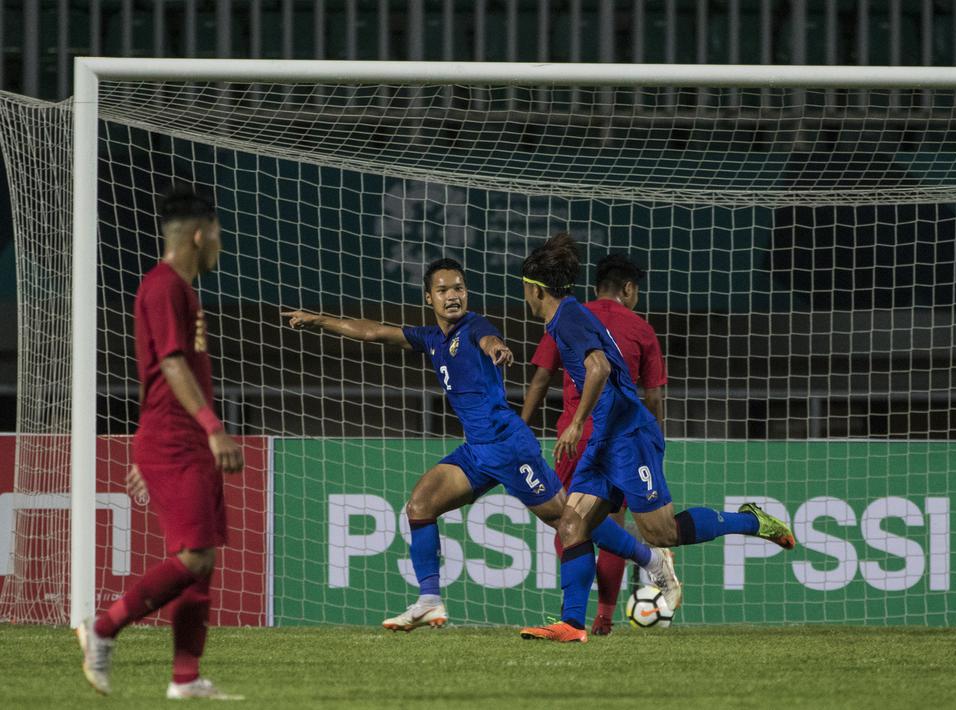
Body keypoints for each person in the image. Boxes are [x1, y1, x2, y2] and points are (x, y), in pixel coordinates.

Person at [282, 258, 679, 633]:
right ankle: (429, 600)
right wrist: (319, 320)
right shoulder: (430, 338)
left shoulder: (475, 326)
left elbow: (489, 340)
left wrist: (497, 348)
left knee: (568, 522)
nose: (453, 296)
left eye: (459, 288)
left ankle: (650, 559)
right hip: (476, 451)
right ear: (429, 298)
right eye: (443, 290)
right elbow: (374, 332)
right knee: (420, 505)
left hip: (509, 447)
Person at [518, 233, 795, 644]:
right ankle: (572, 623)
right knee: (572, 524)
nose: (524, 294)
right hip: (605, 437)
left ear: (536, 290)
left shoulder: (570, 319)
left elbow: (599, 368)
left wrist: (576, 423)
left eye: (524, 287)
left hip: (628, 435)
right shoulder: (567, 317)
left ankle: (753, 521)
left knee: (661, 533)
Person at [76, 185, 245, 700]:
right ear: (199, 234)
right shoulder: (165, 286)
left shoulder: (181, 290)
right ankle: (103, 628)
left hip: (177, 440)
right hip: (178, 441)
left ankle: (185, 678)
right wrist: (212, 427)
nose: (220, 243)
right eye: (217, 233)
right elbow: (169, 364)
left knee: (203, 560)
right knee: (193, 558)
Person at [521, 253, 667, 636]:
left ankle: (575, 617)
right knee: (600, 522)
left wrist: (522, 425)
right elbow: (653, 397)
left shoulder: (571, 316)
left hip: (573, 436)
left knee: (567, 524)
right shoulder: (641, 328)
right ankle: (602, 617)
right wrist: (653, 446)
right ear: (629, 289)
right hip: (618, 437)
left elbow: (541, 377)